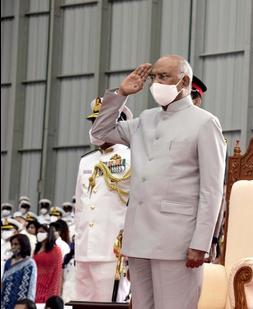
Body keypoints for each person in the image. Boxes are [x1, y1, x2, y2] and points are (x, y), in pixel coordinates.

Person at [90, 55, 226, 309]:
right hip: (139, 237)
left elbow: (212, 190)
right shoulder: (145, 119)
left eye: (163, 77)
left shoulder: (205, 122)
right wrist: (121, 94)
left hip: (178, 241)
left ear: (184, 81)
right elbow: (99, 134)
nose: (156, 83)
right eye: (154, 77)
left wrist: (201, 243)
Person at [74, 97, 133, 302]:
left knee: (108, 304)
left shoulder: (131, 157)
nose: (95, 127)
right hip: (84, 251)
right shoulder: (86, 161)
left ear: (119, 124)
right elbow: (80, 208)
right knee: (81, 303)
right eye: (93, 122)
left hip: (112, 251)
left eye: (100, 121)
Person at [1, 234, 37, 309]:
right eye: (12, 244)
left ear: (23, 245)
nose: (13, 247)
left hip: (20, 302)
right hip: (5, 300)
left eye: (16, 244)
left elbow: (31, 285)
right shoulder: (8, 262)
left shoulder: (29, 262)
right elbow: (3, 282)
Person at [33, 224, 62, 303]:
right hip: (35, 285)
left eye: (42, 231)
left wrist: (52, 293)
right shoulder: (36, 249)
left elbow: (57, 273)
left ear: (48, 233)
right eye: (38, 232)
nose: (39, 234)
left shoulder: (56, 250)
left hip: (47, 287)